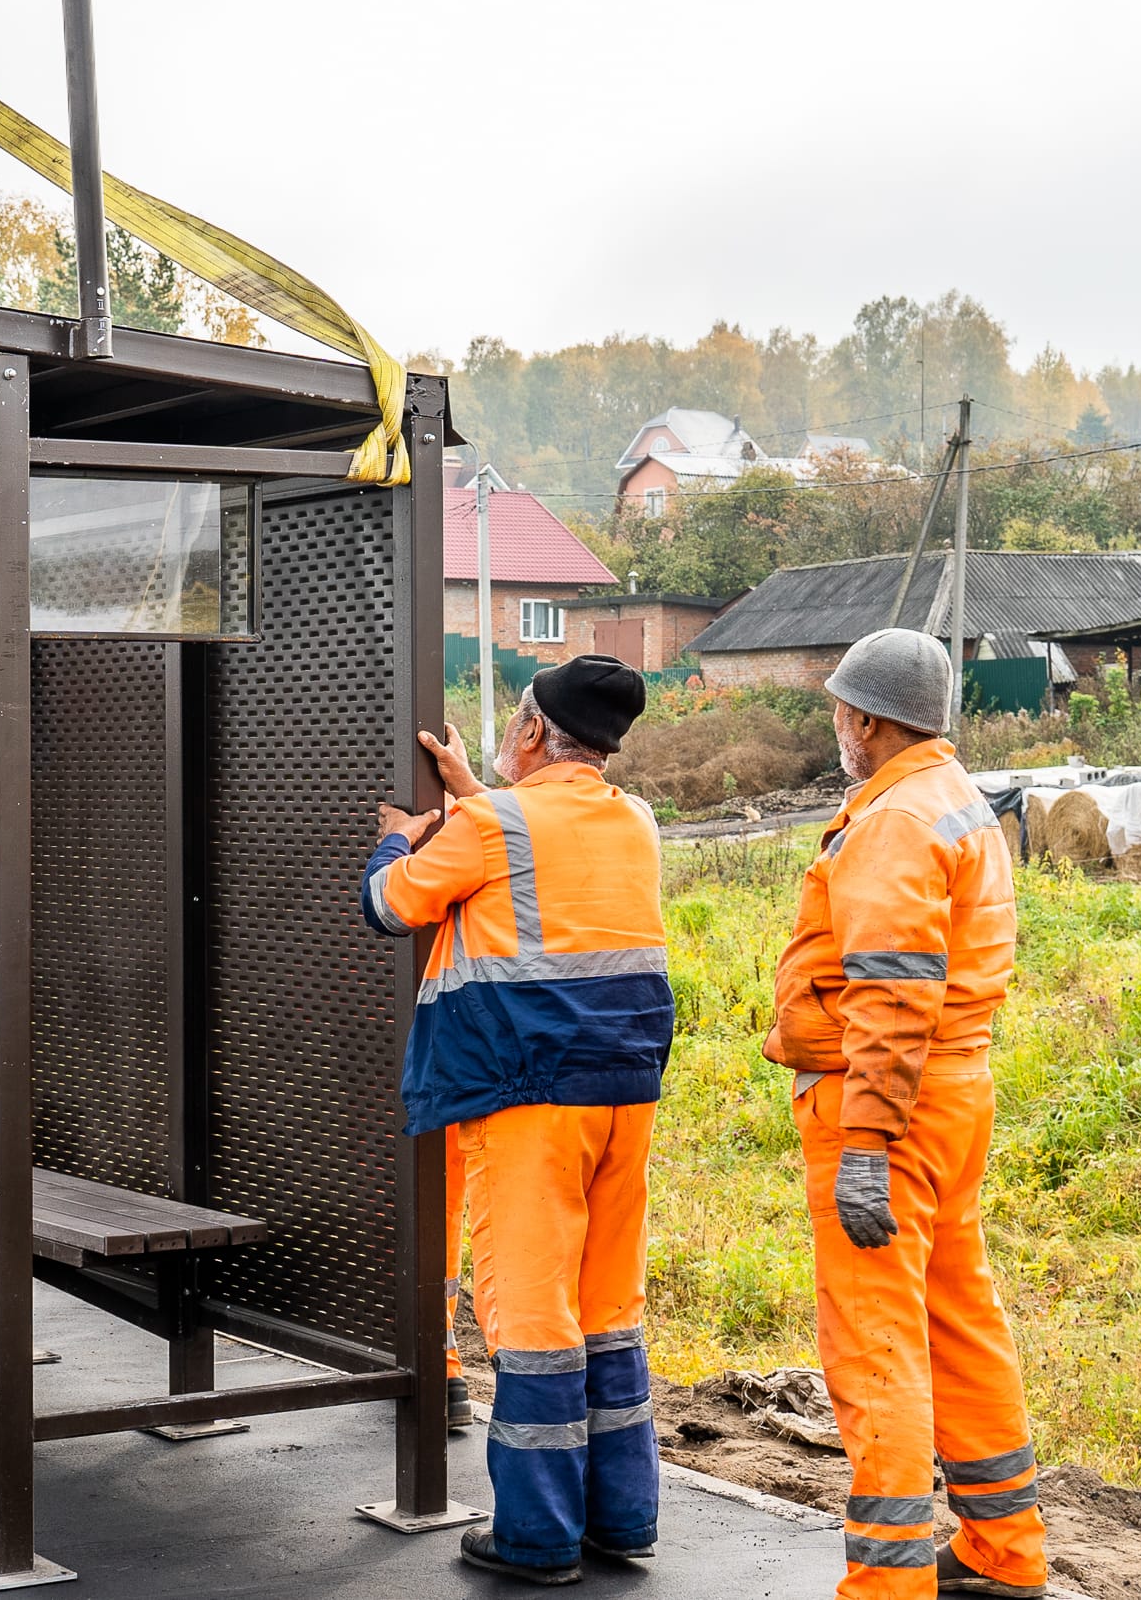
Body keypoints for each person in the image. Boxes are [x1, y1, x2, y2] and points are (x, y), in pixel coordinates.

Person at [362, 654, 674, 1586]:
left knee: (533, 1316)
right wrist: (470, 790)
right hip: (625, 1093)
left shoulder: (491, 825)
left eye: (516, 719)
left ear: (533, 731)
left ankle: (537, 1535)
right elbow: (536, 847)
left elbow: (393, 905)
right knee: (608, 1308)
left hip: (527, 1095)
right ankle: (621, 1517)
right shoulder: (635, 818)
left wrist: (393, 839)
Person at [765, 628, 1046, 1600]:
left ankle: (887, 1583)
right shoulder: (953, 797)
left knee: (874, 1340)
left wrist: (865, 1143)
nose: (837, 727)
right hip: (953, 1094)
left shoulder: (894, 820)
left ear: (868, 720)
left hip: (887, 1106)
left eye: (841, 712)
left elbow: (890, 992)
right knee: (958, 1319)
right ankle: (1003, 1549)